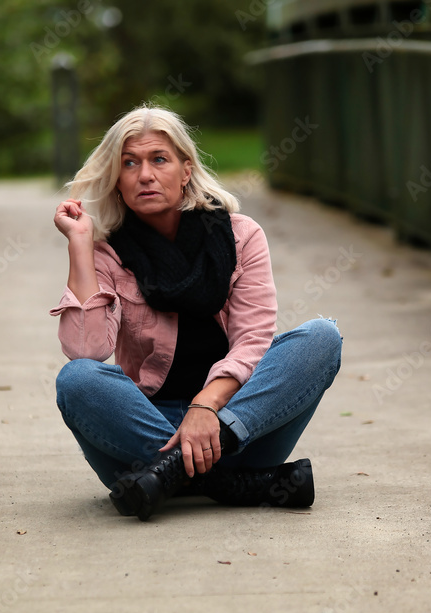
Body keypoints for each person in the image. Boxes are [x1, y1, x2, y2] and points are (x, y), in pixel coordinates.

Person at [51, 105, 341, 521]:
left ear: (186, 170)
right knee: (76, 379)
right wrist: (80, 245)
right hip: (144, 436)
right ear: (117, 179)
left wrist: (206, 408)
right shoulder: (108, 254)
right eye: (129, 163)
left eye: (159, 160)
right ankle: (237, 484)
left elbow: (254, 340)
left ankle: (170, 478)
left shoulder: (241, 236)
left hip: (240, 422)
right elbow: (86, 349)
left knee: (322, 338)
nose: (144, 175)